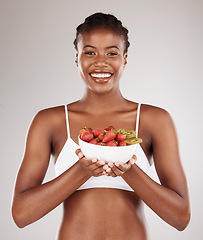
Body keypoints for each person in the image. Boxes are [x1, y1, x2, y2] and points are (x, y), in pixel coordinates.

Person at [12, 12, 190, 240]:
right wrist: (81, 171)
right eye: (90, 52)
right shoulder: (49, 121)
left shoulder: (155, 120)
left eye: (112, 53)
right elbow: (21, 214)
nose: (101, 62)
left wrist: (130, 171)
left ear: (125, 58)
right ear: (77, 58)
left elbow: (181, 218)